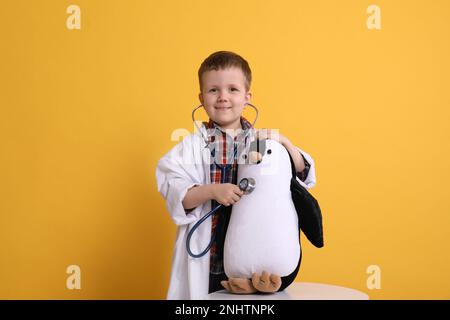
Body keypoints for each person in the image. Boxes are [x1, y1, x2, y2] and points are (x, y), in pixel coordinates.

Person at [156, 51, 316, 300]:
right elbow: (176, 194)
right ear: (201, 97)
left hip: (251, 257)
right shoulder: (188, 147)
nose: (223, 98)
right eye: (213, 90)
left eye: (232, 89)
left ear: (247, 97)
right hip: (209, 260)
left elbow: (301, 174)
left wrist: (286, 143)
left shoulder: (262, 141)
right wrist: (212, 191)